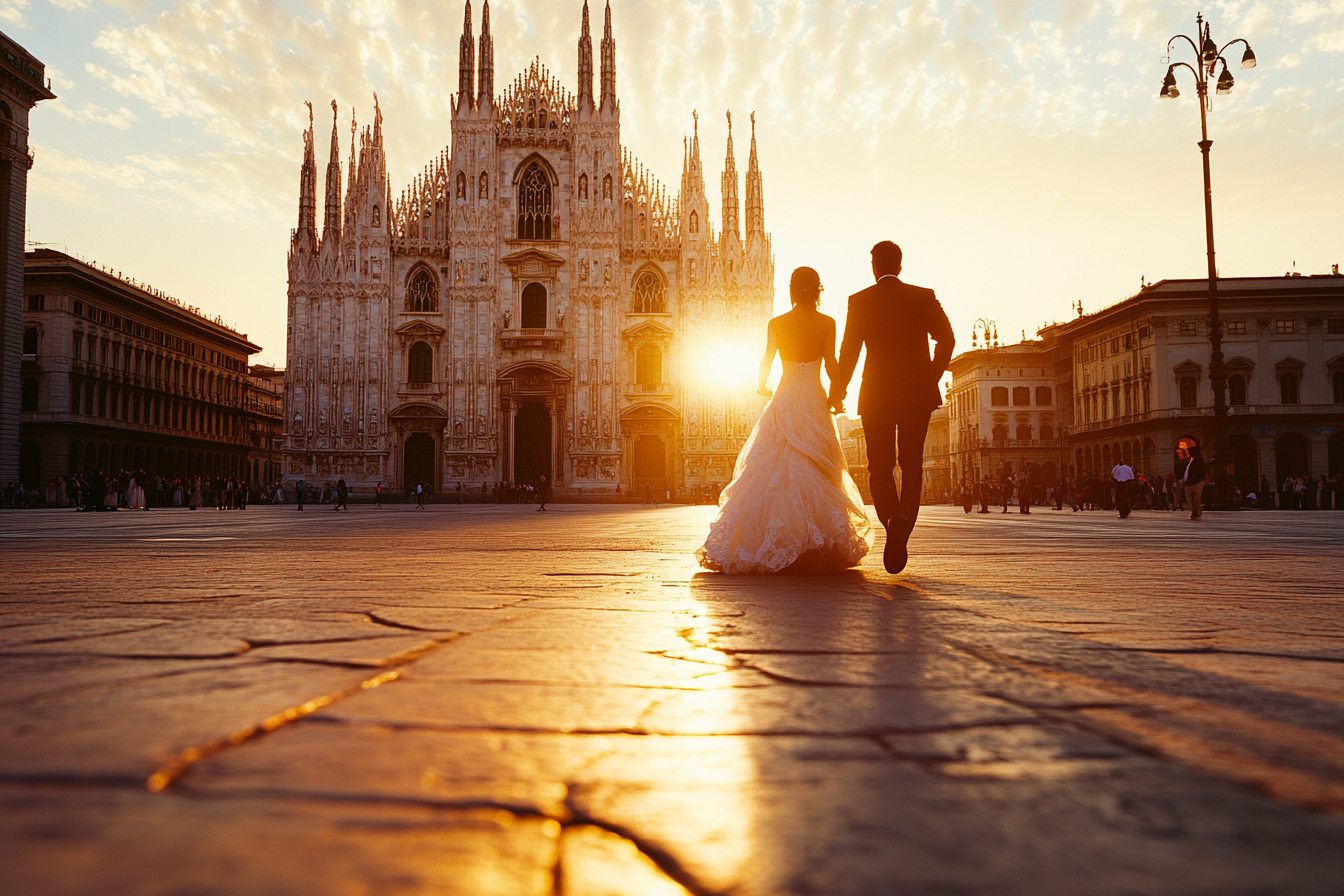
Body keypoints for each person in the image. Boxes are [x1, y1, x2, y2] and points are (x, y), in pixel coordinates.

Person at [698, 266, 873, 574]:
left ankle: (772, 541)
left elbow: (766, 359)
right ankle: (817, 542)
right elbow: (832, 364)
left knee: (773, 459)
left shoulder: (777, 323)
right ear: (818, 289)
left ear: (792, 289)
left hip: (785, 394)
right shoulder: (827, 322)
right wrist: (838, 393)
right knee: (816, 462)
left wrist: (762, 384)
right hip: (814, 397)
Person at [828, 242, 954, 573]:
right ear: (899, 265)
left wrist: (837, 391)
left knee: (879, 466)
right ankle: (904, 530)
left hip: (876, 394)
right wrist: (930, 376)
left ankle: (891, 519)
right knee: (912, 465)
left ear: (874, 266)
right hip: (917, 394)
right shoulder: (923, 296)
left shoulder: (861, 300)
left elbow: (850, 351)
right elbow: (948, 339)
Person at [1179, 443, 1207, 520]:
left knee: (1196, 499)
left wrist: (1202, 479)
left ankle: (1196, 512)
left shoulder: (1199, 461)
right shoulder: (1189, 461)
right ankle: (1194, 510)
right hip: (1189, 482)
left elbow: (1203, 470)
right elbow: (1186, 471)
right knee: (1188, 498)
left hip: (1197, 482)